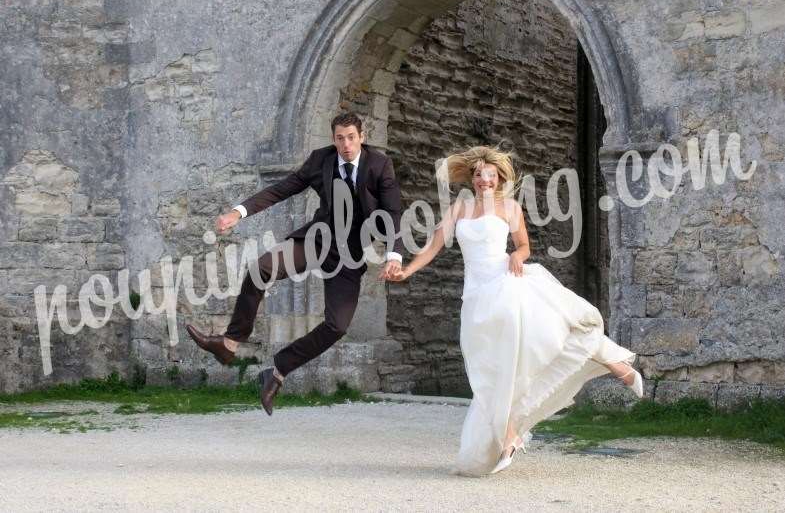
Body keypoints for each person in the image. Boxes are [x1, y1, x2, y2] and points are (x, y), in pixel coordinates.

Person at [386, 146, 643, 476]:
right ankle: (508, 436)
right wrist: (406, 271)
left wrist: (517, 256)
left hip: (505, 282)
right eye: (479, 174)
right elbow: (433, 246)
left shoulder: (510, 208)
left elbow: (524, 245)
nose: (484, 180)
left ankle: (611, 362)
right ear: (472, 178)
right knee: (484, 368)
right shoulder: (459, 209)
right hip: (476, 294)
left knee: (547, 333)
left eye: (490, 175)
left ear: (499, 179)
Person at [186, 112, 404, 416]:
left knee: (337, 325)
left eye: (351, 137)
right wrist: (239, 212)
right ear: (333, 139)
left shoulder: (379, 166)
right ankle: (230, 342)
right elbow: (282, 189)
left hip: (350, 254)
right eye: (340, 138)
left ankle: (277, 371)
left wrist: (394, 255)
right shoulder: (321, 161)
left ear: (361, 137)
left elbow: (394, 212)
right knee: (261, 268)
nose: (346, 144)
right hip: (317, 240)